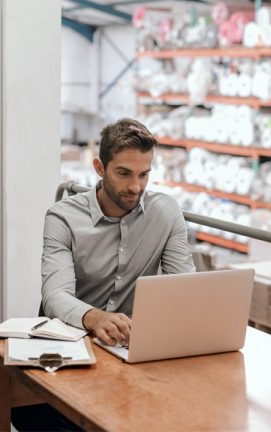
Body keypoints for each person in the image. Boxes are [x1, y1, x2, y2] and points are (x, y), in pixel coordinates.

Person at [12, 118, 196, 431]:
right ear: (99, 167)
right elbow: (55, 295)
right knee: (38, 414)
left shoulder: (165, 212)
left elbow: (186, 289)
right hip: (71, 343)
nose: (135, 187)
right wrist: (94, 318)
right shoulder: (63, 217)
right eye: (123, 173)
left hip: (126, 348)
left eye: (144, 174)